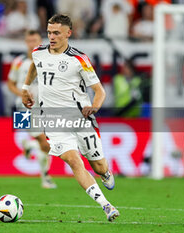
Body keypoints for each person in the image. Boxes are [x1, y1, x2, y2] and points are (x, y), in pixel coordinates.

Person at [21, 14, 119, 221]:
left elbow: (99, 91)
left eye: (56, 32)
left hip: (80, 119)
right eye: (49, 32)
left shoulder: (79, 59)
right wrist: (25, 88)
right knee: (73, 160)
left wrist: (94, 107)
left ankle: (106, 172)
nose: (51, 36)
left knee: (98, 166)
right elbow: (33, 67)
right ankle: (106, 206)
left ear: (68, 33)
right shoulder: (38, 53)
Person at [8, 30, 56, 189]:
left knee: (44, 144)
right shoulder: (19, 62)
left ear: (40, 42)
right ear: (25, 43)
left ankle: (44, 176)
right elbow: (10, 84)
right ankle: (45, 177)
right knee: (45, 143)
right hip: (22, 107)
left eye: (34, 40)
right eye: (29, 41)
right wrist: (22, 93)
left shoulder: (48, 61)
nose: (31, 44)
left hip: (43, 107)